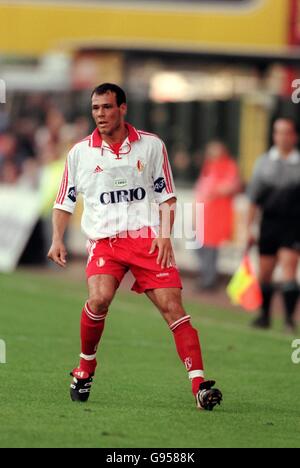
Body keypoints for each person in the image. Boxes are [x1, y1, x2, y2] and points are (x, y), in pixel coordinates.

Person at [47, 83, 222, 410]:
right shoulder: (79, 153)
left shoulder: (152, 146)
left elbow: (167, 195)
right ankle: (85, 368)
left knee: (174, 309)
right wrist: (57, 238)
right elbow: (64, 203)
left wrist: (165, 233)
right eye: (95, 108)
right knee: (98, 300)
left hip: (147, 239)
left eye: (107, 107)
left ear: (122, 108)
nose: (100, 114)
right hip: (106, 242)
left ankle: (199, 386)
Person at [247, 118, 300, 333]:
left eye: (287, 132)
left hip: (294, 223)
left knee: (289, 268)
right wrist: (250, 228)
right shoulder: (264, 162)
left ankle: (288, 319)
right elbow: (253, 199)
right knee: (265, 272)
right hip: (268, 223)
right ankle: (265, 315)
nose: (282, 136)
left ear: (294, 136)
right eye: (278, 132)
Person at [194, 141, 241, 290]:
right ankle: (207, 276)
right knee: (198, 246)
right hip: (204, 213)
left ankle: (209, 280)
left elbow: (231, 186)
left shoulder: (229, 165)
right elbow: (201, 188)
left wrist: (212, 191)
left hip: (217, 214)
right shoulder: (209, 166)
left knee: (210, 248)